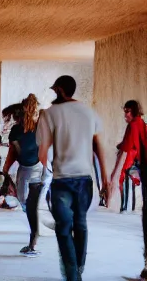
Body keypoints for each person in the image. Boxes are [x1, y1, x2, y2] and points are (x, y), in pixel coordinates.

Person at [37, 75, 108, 281]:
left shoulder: (50, 114)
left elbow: (43, 151)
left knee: (64, 229)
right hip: (85, 179)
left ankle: (72, 275)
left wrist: (48, 167)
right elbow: (98, 147)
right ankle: (79, 269)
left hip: (62, 179)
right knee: (81, 224)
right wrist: (105, 179)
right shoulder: (89, 113)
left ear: (59, 90)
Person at [2, 94, 44, 257]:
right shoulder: (36, 127)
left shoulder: (27, 128)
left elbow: (15, 152)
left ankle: (33, 240)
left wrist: (6, 168)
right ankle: (34, 236)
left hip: (32, 169)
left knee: (27, 204)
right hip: (36, 168)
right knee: (26, 203)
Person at [109, 100, 147, 280]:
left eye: (128, 112)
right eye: (124, 112)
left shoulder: (134, 124)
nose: (125, 115)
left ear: (134, 112)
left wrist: (114, 177)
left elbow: (125, 151)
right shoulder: (140, 123)